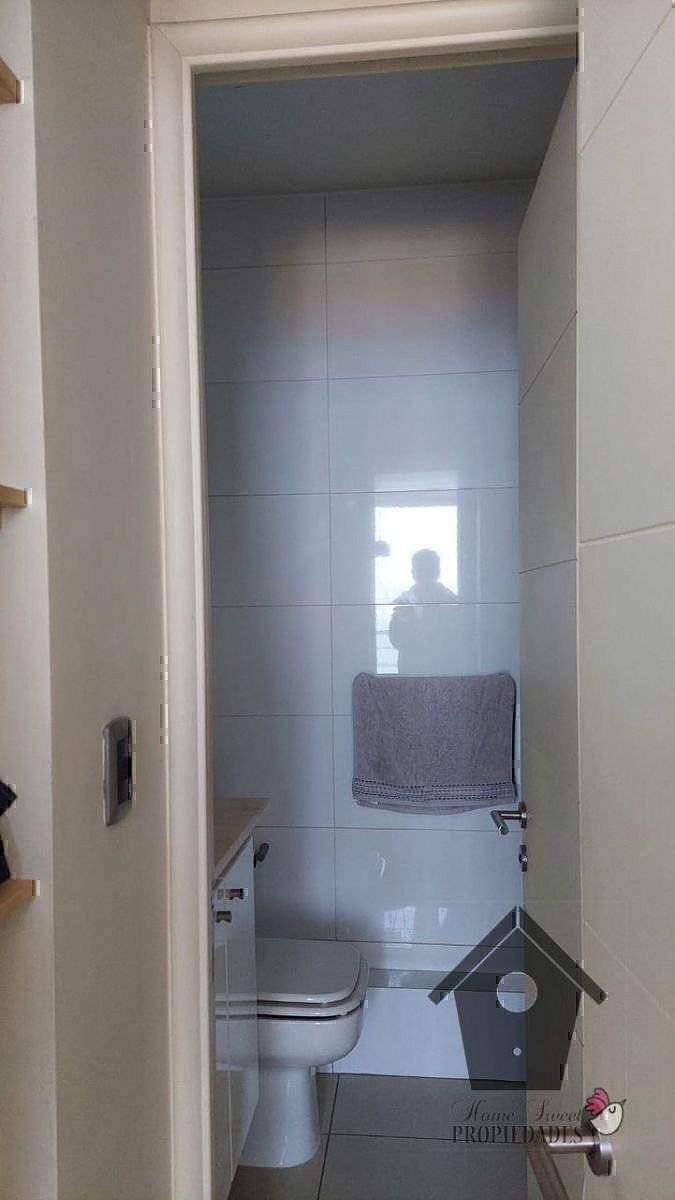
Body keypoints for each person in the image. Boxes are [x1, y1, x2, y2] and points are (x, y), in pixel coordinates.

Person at [388, 548, 456, 674]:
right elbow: (396, 639)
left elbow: (457, 639)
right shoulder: (403, 603)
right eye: (421, 569)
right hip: (411, 672)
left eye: (428, 570)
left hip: (443, 672)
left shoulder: (452, 602)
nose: (424, 573)